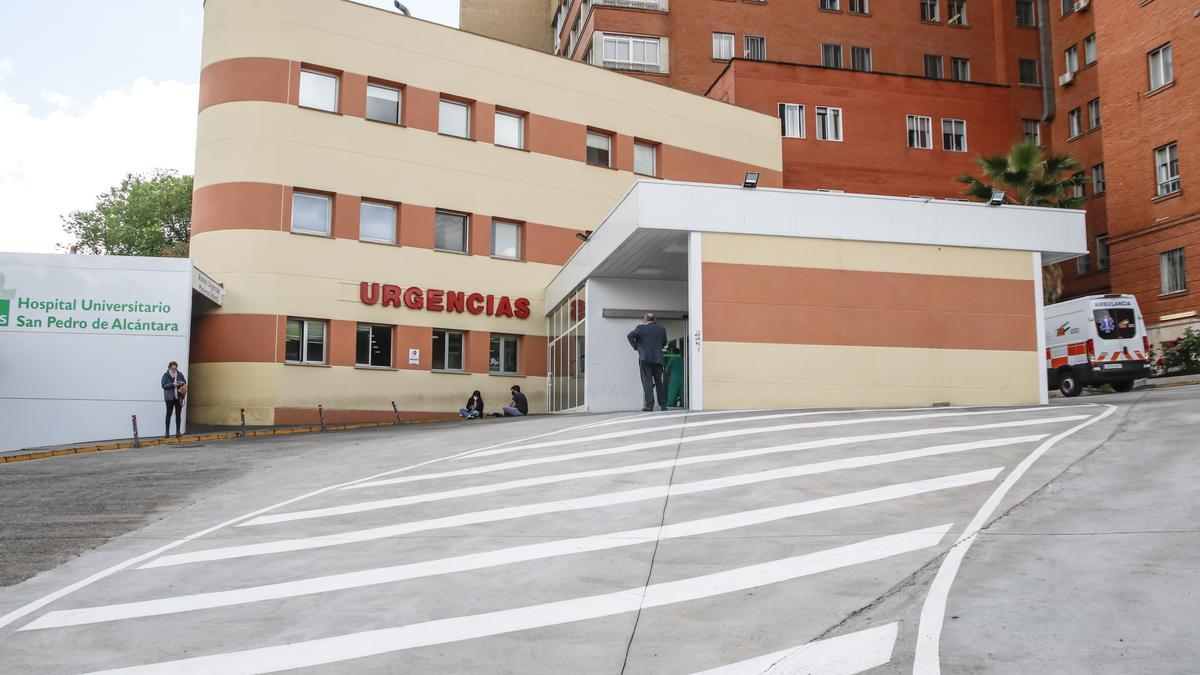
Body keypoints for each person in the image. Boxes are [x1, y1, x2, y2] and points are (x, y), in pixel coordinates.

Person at [627, 312, 668, 411]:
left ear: (645, 320)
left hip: (645, 359)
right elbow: (664, 342)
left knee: (647, 382)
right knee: (659, 382)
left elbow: (629, 336)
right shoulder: (661, 329)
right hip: (658, 359)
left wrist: (636, 346)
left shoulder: (641, 328)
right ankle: (663, 405)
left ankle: (649, 406)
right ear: (654, 320)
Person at [161, 361, 186, 439]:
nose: (174, 370)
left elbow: (184, 383)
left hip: (178, 397)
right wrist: (173, 384)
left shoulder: (179, 374)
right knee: (169, 414)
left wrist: (181, 383)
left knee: (178, 415)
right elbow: (163, 385)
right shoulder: (166, 375)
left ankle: (178, 432)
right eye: (173, 368)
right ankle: (167, 432)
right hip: (169, 398)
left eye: (175, 368)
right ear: (169, 368)